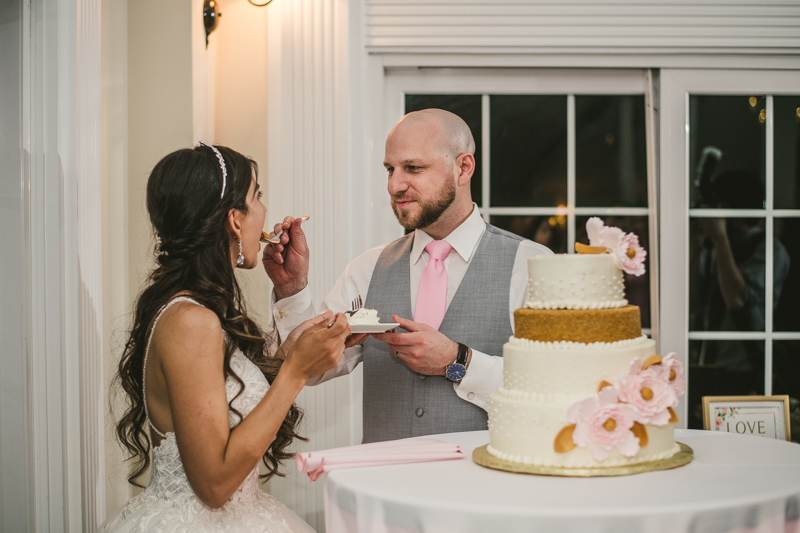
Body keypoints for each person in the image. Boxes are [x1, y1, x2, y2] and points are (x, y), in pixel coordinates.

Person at [264, 109, 552, 443]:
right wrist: (291, 290)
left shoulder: (530, 265)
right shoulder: (367, 269)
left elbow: (550, 388)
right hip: (385, 488)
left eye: (413, 168)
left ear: (463, 168)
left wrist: (458, 361)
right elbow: (309, 369)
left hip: (484, 487)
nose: (394, 185)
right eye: (390, 169)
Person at [104, 144, 350, 531]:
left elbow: (230, 403)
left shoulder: (190, 307)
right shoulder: (191, 321)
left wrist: (298, 341)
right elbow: (215, 485)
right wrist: (297, 372)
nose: (265, 211)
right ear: (235, 220)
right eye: (258, 197)